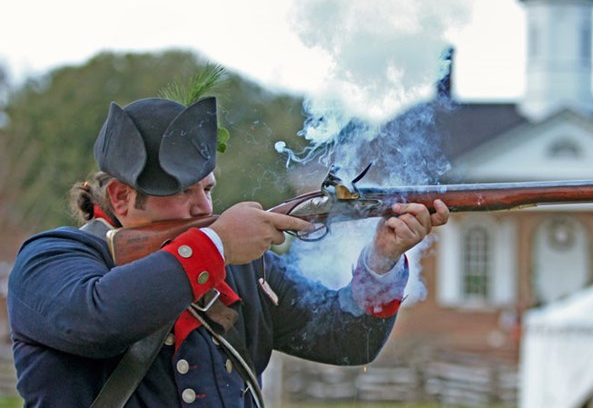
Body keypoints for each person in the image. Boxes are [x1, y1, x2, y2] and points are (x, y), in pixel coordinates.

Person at [7, 96, 449, 407]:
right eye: (184, 192)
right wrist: (216, 244)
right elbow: (101, 318)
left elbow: (349, 341)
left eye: (208, 189)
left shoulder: (241, 263)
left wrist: (383, 259)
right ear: (121, 199)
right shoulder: (51, 260)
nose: (203, 207)